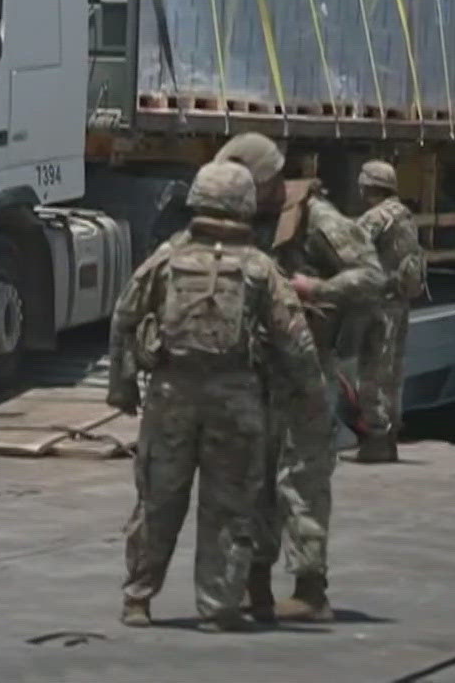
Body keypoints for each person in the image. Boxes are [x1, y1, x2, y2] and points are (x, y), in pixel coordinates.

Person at [106, 161, 327, 632]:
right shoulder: (259, 267)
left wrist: (121, 388)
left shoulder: (166, 258)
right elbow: (295, 339)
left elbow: (124, 316)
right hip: (236, 400)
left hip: (171, 395)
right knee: (228, 507)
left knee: (157, 499)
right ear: (245, 204)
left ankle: (137, 600)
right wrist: (312, 398)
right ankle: (218, 608)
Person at [215, 133, 387, 623]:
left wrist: (319, 287)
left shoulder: (317, 218)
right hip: (257, 372)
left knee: (303, 477)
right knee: (255, 477)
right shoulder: (241, 216)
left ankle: (311, 590)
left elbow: (372, 276)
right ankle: (257, 587)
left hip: (308, 370)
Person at [353, 160, 425, 463]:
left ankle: (376, 438)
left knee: (372, 371)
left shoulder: (375, 218)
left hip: (379, 304)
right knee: (393, 372)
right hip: (400, 303)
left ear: (368, 186)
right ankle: (390, 434)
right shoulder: (404, 215)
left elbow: (349, 249)